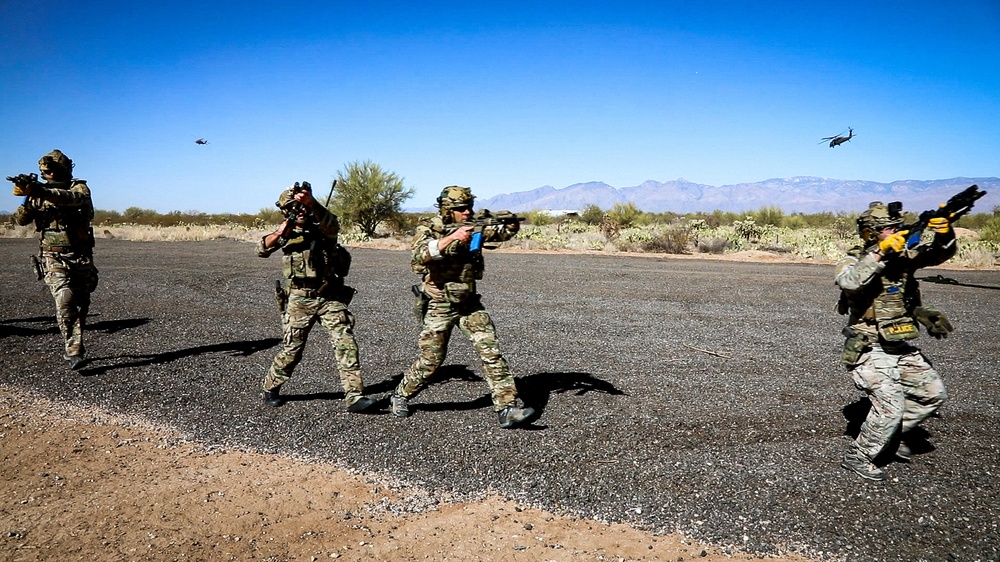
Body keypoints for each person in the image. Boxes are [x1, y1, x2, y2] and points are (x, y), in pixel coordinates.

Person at [390, 186, 535, 428]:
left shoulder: (476, 224)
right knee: (431, 361)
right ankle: (400, 395)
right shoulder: (430, 226)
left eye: (469, 207)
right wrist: (452, 239)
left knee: (491, 353)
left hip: (469, 304)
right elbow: (419, 255)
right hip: (439, 304)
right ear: (448, 210)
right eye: (461, 209)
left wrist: (510, 222)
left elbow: (501, 233)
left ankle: (507, 408)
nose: (467, 212)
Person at [835, 200, 957, 481]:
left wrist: (945, 233)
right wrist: (880, 253)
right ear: (870, 233)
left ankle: (889, 436)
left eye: (896, 227)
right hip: (868, 346)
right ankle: (859, 455)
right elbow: (850, 282)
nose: (895, 232)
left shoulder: (903, 257)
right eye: (888, 229)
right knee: (891, 404)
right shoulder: (853, 259)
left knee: (932, 393)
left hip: (898, 343)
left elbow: (938, 255)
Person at [256, 181, 375, 413]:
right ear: (286, 210)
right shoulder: (287, 234)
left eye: (303, 207)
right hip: (300, 299)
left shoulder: (323, 225)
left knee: (346, 343)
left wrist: (313, 204)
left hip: (329, 295)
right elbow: (262, 249)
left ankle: (354, 397)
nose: (301, 211)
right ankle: (271, 387)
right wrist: (282, 231)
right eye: (295, 207)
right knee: (293, 348)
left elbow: (333, 224)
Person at [10, 150, 99, 370]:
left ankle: (76, 344)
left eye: (51, 171)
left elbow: (73, 199)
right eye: (44, 173)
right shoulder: (38, 193)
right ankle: (73, 350)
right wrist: (27, 196)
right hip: (52, 256)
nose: (48, 175)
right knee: (65, 299)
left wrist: (41, 190)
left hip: (80, 256)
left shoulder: (78, 187)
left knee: (81, 303)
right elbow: (20, 220)